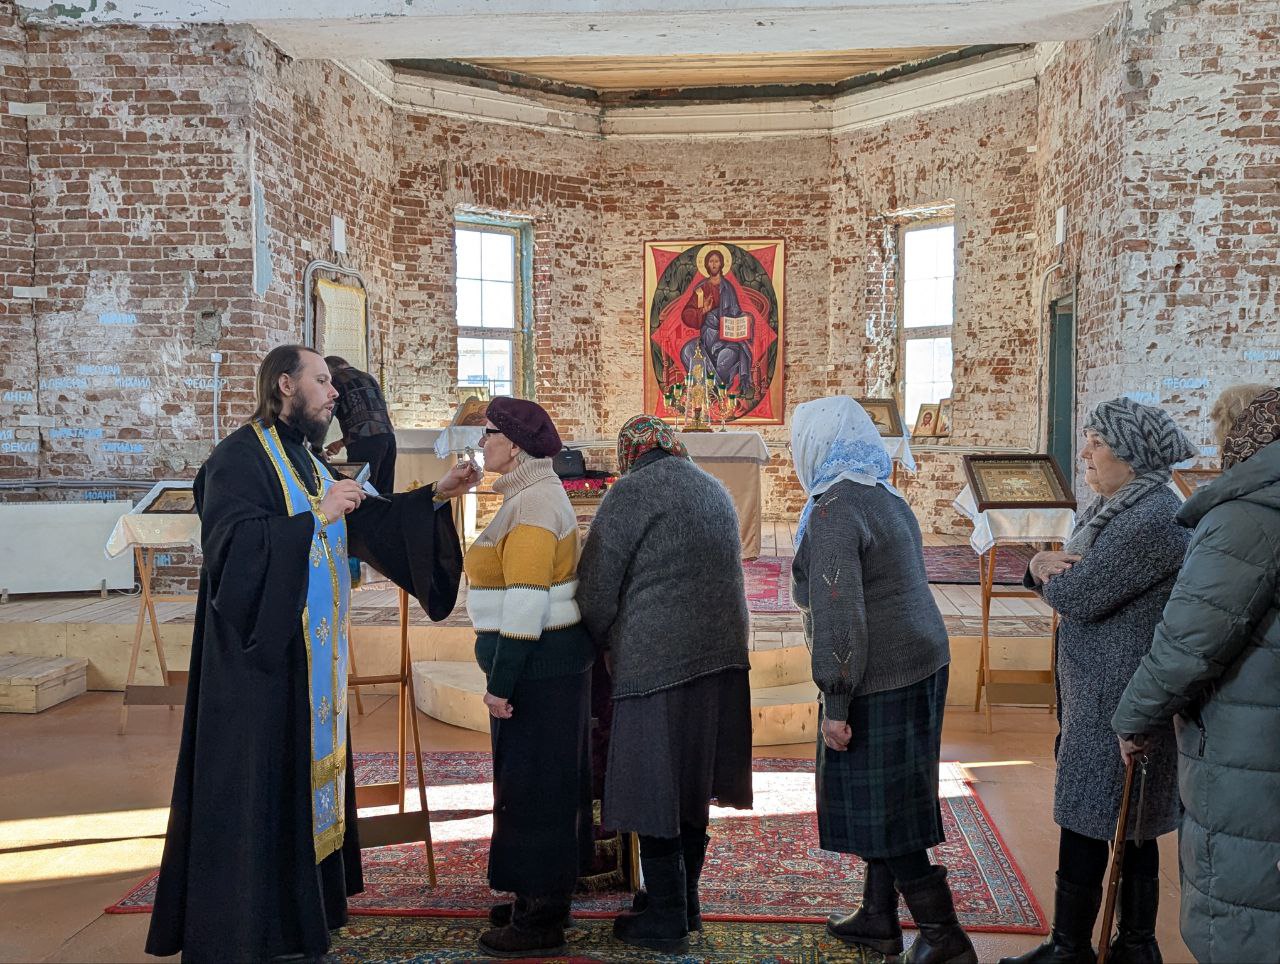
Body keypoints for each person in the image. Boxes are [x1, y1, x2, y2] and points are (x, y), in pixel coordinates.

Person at [145, 345, 479, 963]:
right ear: (283, 386)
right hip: (261, 667)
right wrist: (314, 519)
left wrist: (437, 494)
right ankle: (252, 930)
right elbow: (232, 551)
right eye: (322, 381)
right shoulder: (238, 459)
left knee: (301, 784)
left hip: (307, 667)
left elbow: (365, 520)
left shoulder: (303, 455)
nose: (334, 394)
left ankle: (302, 920)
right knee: (261, 790)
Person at [1000, 398, 1196, 964]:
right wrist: (1044, 567)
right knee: (1114, 821)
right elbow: (1069, 577)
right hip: (1103, 692)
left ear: (1132, 456)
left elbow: (1080, 593)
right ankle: (1120, 945)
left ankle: (1088, 948)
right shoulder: (1119, 507)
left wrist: (1038, 567)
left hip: (1122, 696)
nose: (1084, 452)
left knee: (1108, 820)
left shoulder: (1150, 517)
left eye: (1098, 442)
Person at [790, 396, 976, 964]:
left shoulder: (833, 509)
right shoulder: (884, 494)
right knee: (891, 797)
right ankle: (877, 916)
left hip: (881, 672)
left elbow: (840, 613)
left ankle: (944, 936)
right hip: (923, 659)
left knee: (887, 810)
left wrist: (836, 701)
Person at [1113, 385, 1280, 963]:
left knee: (1247, 897)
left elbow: (1189, 640)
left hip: (1252, 740)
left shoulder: (1246, 518)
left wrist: (1135, 716)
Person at [577, 414, 754, 954]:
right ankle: (684, 902)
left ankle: (667, 916)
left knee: (651, 785)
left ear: (630, 453)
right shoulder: (713, 488)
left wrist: (599, 641)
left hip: (656, 662)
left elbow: (597, 590)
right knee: (691, 784)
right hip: (722, 660)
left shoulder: (628, 494)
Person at [465, 396, 595, 958]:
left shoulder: (536, 502)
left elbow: (525, 602)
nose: (482, 443)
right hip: (544, 668)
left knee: (536, 789)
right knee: (535, 784)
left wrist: (500, 682)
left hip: (539, 670)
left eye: (489, 433)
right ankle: (536, 895)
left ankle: (540, 917)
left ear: (514, 445)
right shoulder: (528, 493)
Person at [679, 247, 754, 396]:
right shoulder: (700, 290)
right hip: (707, 339)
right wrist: (703, 311)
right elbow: (686, 315)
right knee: (687, 351)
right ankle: (703, 391)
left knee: (724, 360)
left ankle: (715, 393)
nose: (714, 264)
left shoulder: (728, 288)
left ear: (721, 264)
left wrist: (747, 317)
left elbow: (735, 311)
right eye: (711, 261)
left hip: (726, 339)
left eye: (717, 261)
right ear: (706, 265)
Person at [323, 356, 397, 496]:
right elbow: (371, 419)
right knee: (384, 494)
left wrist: (315, 445)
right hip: (389, 438)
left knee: (360, 492)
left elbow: (326, 415)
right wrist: (341, 443)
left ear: (329, 371)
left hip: (365, 444)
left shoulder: (337, 380)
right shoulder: (368, 377)